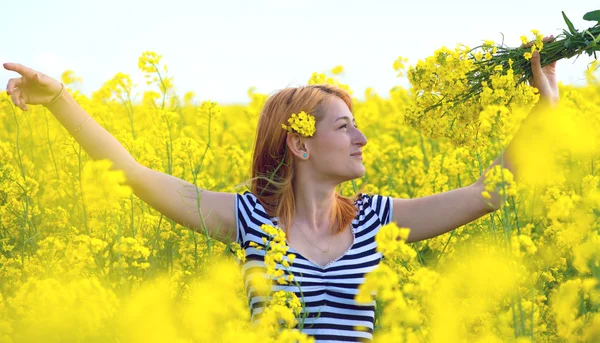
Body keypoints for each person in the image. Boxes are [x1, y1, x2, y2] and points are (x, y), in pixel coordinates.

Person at [3, 38, 557, 342]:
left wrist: (546, 108)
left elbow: (492, 191)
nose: (362, 138)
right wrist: (59, 101)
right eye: (345, 127)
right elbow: (134, 173)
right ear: (300, 145)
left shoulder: (377, 220)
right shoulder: (247, 219)